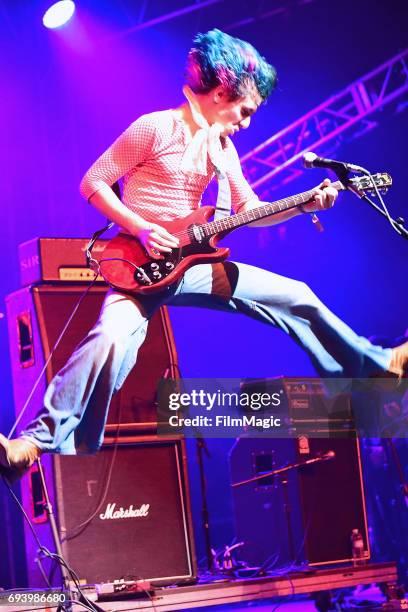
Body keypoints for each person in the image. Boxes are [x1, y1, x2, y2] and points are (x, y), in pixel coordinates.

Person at [0, 29, 407, 482]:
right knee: (110, 340)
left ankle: (378, 365)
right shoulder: (154, 127)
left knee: (297, 295)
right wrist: (140, 226)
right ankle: (31, 444)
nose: (247, 123)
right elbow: (92, 181)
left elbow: (249, 211)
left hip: (194, 266)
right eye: (245, 110)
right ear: (219, 93)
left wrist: (304, 204)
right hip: (139, 267)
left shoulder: (223, 150)